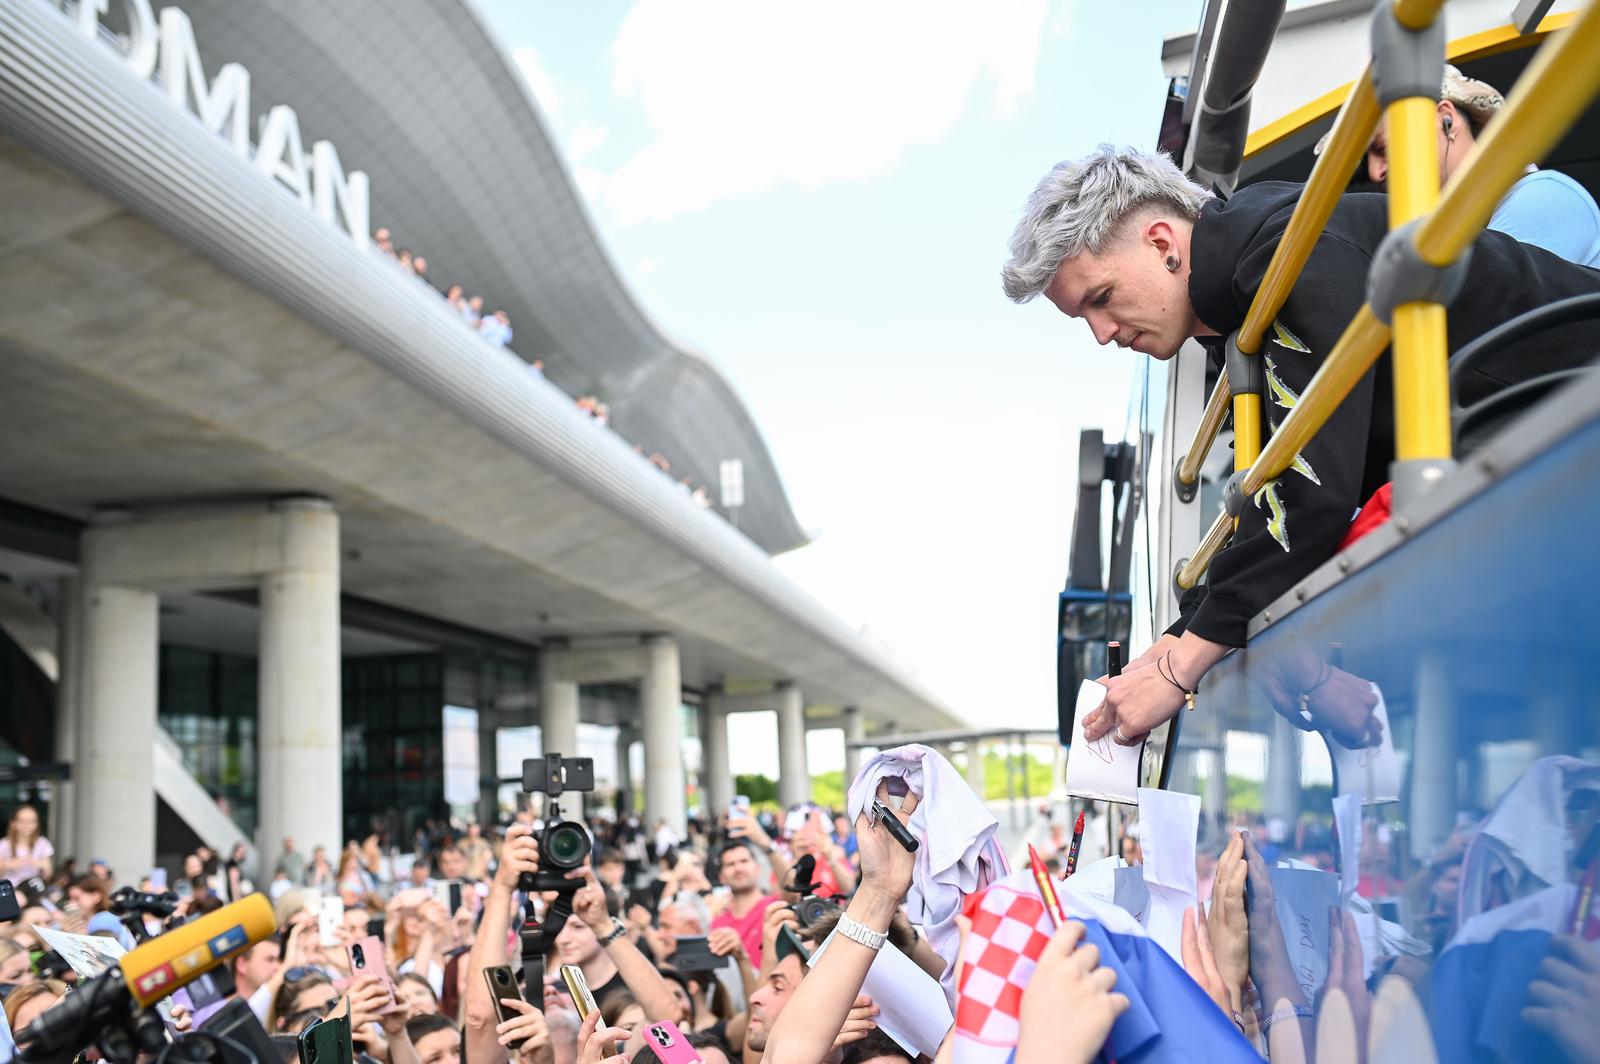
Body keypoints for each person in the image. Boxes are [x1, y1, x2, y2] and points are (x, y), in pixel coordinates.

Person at [1003, 145, 1600, 750]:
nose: (1102, 334)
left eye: (1099, 299)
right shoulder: (1244, 319)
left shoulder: (1287, 252)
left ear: (1163, 243)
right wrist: (1178, 637)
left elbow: (1310, 488)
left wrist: (1178, 668)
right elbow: (1272, 498)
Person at [1349, 65, 1600, 267]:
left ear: (1446, 119)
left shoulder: (1542, 196)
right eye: (1365, 167)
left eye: (1382, 148)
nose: (1375, 172)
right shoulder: (1471, 228)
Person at [708, 840, 781, 968]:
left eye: (744, 861)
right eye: (730, 864)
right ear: (721, 877)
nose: (738, 868)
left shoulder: (776, 906)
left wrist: (764, 842)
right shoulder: (717, 923)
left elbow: (791, 888)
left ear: (758, 869)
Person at [0, 806, 52, 885]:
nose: (27, 825)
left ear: (37, 824)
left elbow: (48, 876)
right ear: (13, 823)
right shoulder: (4, 844)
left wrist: (40, 865)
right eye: (22, 821)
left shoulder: (43, 843)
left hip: (33, 888)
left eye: (31, 821)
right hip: (10, 888)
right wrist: (7, 865)